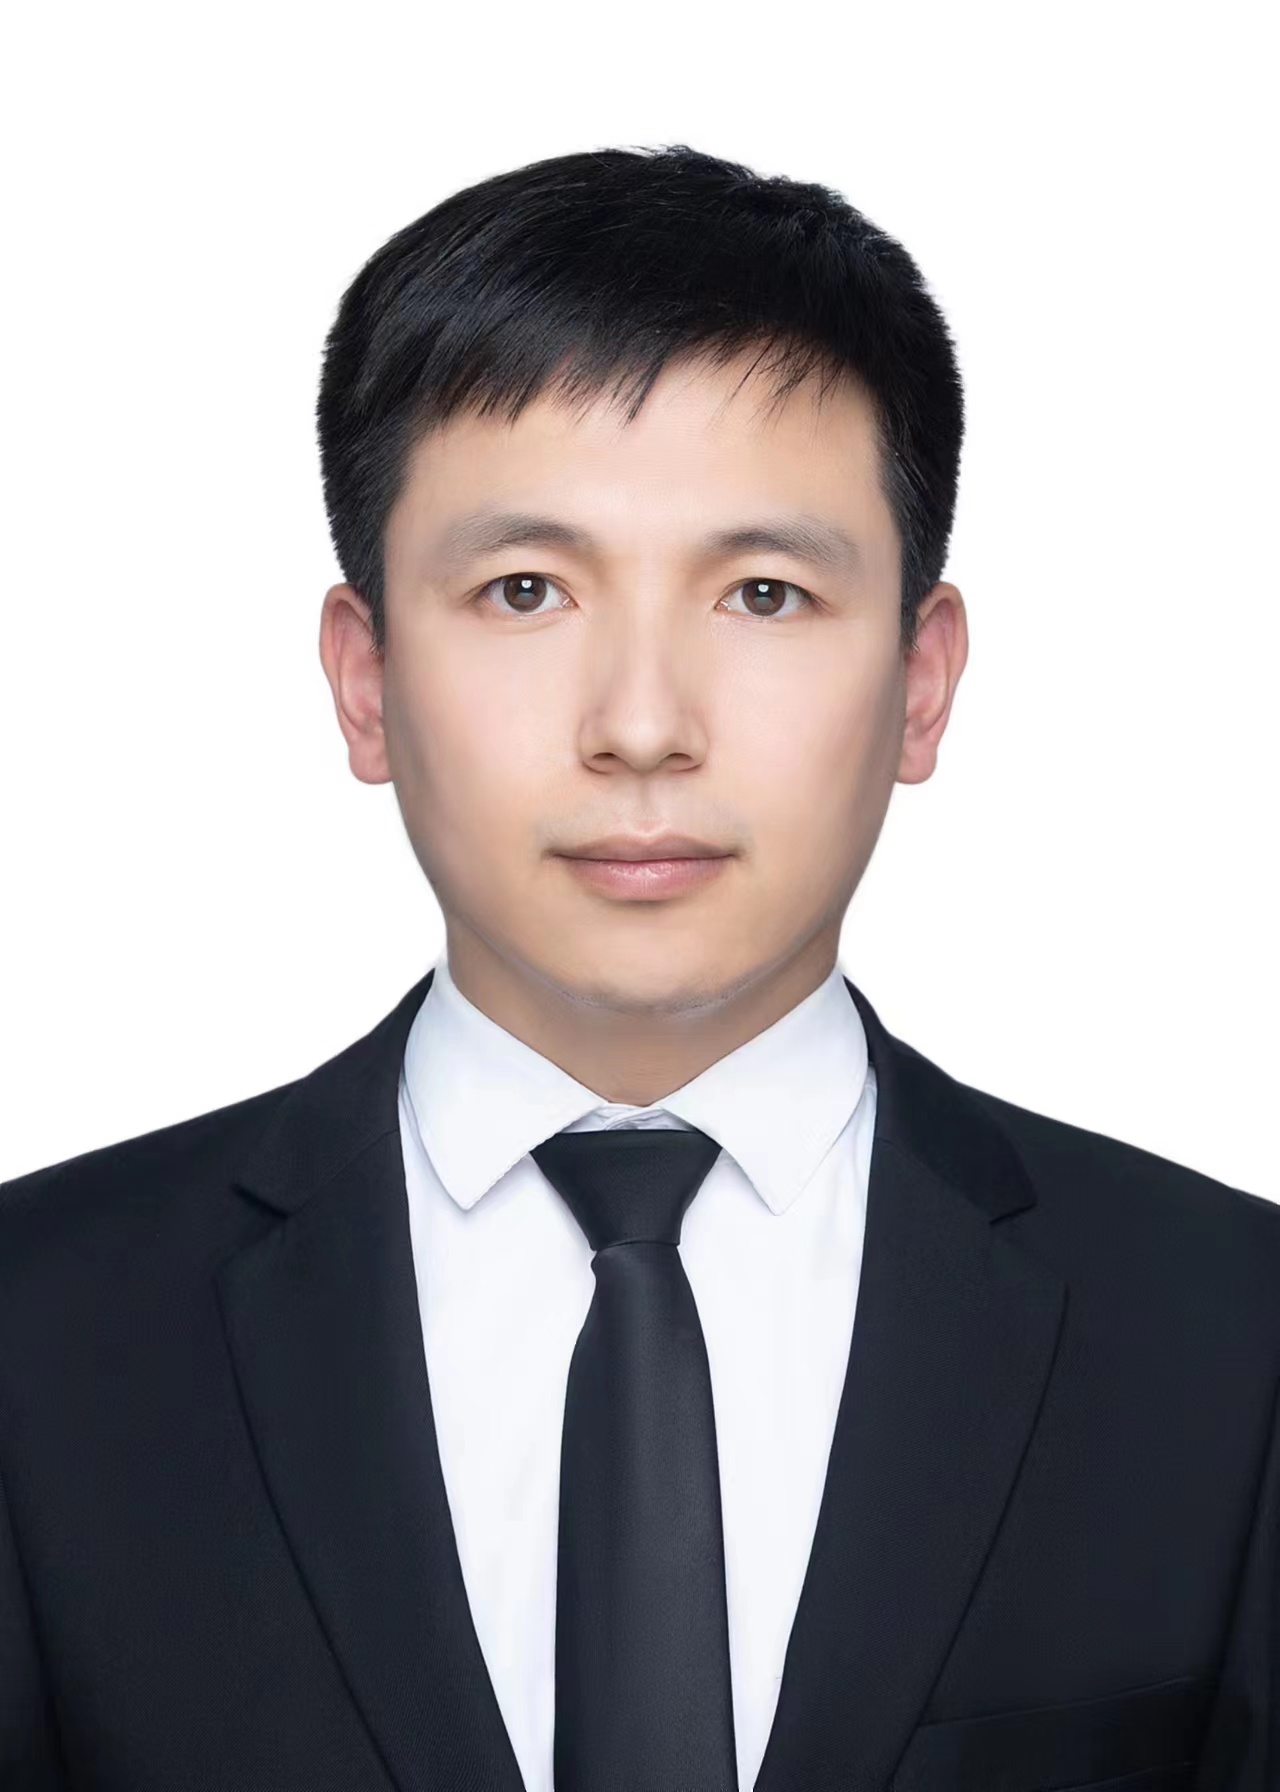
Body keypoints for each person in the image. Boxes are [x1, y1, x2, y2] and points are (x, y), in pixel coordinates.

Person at [0, 143, 1275, 1792]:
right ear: (366, 679)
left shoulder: (1228, 1339)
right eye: (525, 590)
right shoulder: (41, 1334)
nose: (644, 725)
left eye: (765, 593)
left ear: (923, 681)